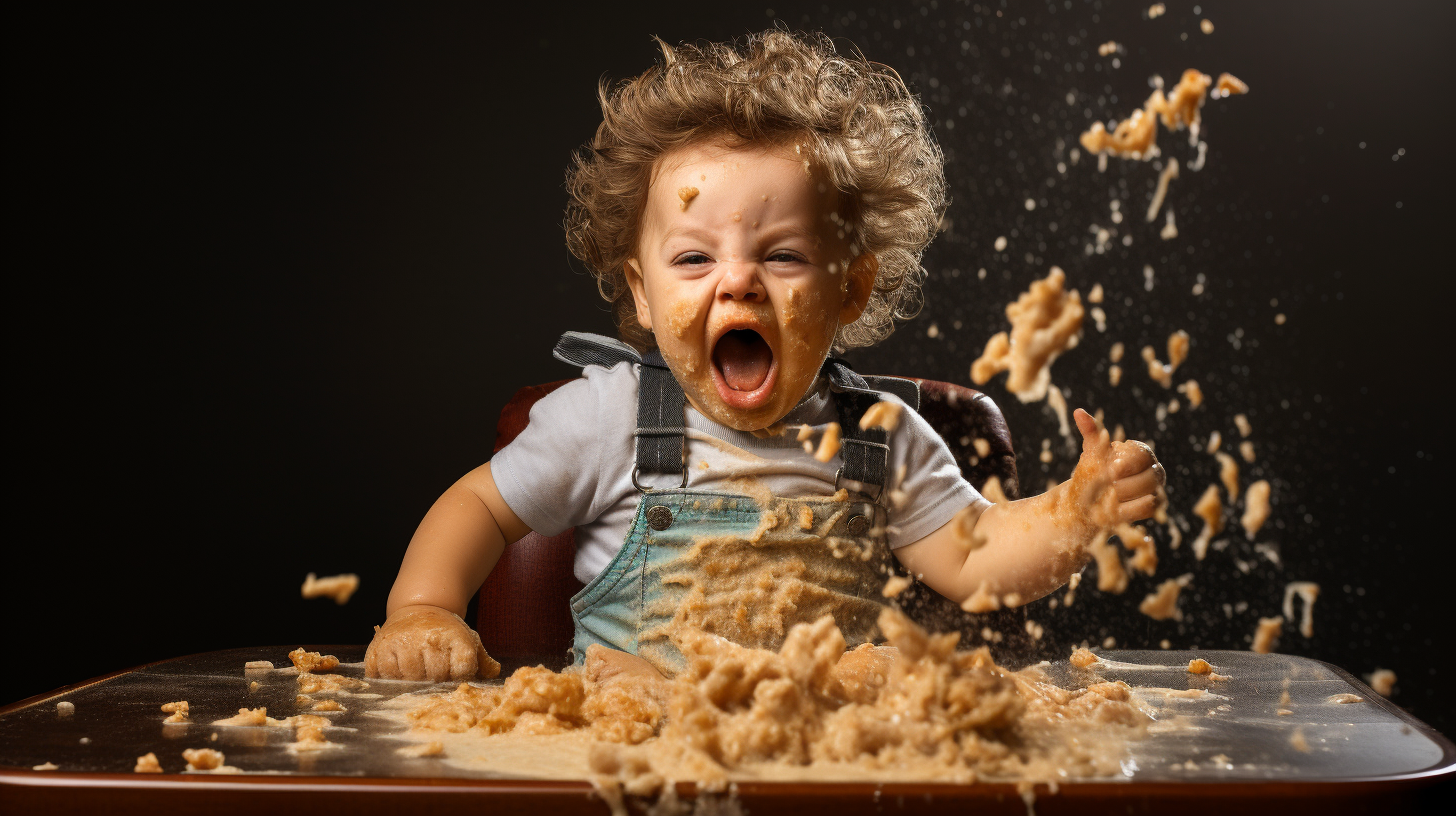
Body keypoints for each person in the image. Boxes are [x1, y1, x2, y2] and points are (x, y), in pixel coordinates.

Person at [364, 30, 1164, 683]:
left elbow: (977, 557)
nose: (738, 281)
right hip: (628, 749)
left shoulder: (877, 436)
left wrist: (1075, 514)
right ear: (642, 295)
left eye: (782, 257)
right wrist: (423, 609)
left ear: (849, 291)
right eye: (693, 260)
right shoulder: (608, 417)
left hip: (814, 759)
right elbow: (479, 507)